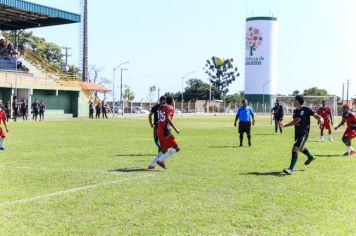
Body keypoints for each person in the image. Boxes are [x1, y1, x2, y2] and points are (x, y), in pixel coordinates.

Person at [280, 95, 324, 175]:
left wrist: (321, 119)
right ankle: (310, 157)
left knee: (295, 148)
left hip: (304, 133)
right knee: (300, 148)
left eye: (294, 100)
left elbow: (317, 116)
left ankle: (291, 169)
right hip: (297, 133)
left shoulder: (306, 109)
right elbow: (294, 122)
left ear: (298, 101)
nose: (293, 101)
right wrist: (284, 125)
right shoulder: (295, 111)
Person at [148, 96, 180, 169]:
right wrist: (175, 129)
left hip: (158, 130)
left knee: (164, 149)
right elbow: (168, 118)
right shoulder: (171, 108)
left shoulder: (163, 108)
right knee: (177, 148)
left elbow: (162, 117)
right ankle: (161, 160)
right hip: (165, 131)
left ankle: (152, 164)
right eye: (174, 100)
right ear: (172, 101)